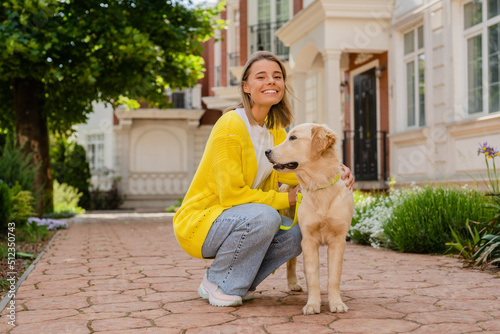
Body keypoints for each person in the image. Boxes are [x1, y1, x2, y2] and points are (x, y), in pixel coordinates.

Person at [173, 51, 354, 307]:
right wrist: (285, 199)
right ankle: (218, 281)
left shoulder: (274, 130)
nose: (271, 81)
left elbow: (299, 172)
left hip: (241, 218)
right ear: (246, 87)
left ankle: (238, 281)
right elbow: (231, 195)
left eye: (277, 76)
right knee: (266, 217)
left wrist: (337, 172)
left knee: (295, 234)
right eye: (261, 76)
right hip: (203, 222)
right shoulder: (230, 127)